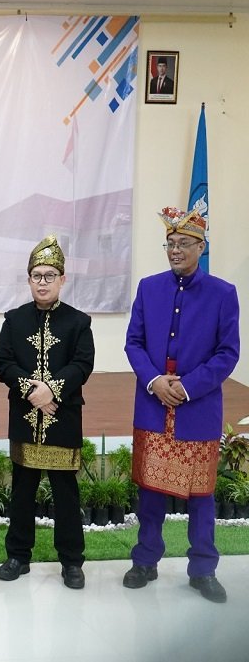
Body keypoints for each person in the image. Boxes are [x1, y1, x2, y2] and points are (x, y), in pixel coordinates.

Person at [122, 206, 239, 604]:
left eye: (183, 244)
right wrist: (155, 381)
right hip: (154, 403)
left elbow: (228, 353)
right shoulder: (148, 287)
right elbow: (133, 343)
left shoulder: (223, 293)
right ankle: (145, 560)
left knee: (202, 495)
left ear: (201, 247)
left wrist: (187, 387)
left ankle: (203, 569)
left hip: (197, 408)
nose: (175, 250)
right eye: (170, 244)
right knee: (150, 491)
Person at [0, 235, 94, 589]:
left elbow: (82, 365)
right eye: (37, 275)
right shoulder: (14, 320)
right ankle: (18, 556)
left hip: (63, 419)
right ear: (28, 279)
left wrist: (51, 390)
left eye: (50, 275)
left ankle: (72, 562)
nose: (43, 282)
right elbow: (3, 362)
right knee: (22, 490)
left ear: (63, 279)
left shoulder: (79, 322)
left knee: (66, 494)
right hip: (24, 418)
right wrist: (32, 392)